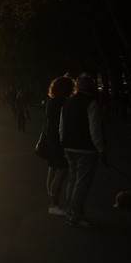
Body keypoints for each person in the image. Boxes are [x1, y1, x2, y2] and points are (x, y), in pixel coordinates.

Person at [59, 73, 107, 228]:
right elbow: (95, 130)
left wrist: (64, 142)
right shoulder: (91, 103)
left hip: (69, 147)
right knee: (82, 183)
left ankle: (71, 212)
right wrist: (101, 149)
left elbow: (62, 127)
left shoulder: (67, 102)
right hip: (86, 149)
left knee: (72, 181)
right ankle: (75, 215)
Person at [42, 76, 74, 215]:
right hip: (59, 140)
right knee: (61, 170)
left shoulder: (51, 102)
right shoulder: (64, 103)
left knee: (53, 169)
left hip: (51, 139)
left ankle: (53, 201)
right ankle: (53, 204)